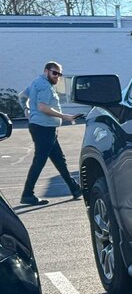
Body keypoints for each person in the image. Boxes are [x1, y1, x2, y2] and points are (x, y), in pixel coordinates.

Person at [19, 61, 84, 206]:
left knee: (59, 160)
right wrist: (64, 116)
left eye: (59, 74)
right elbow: (42, 107)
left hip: (45, 128)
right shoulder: (44, 86)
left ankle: (75, 189)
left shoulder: (37, 82)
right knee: (40, 161)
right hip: (43, 128)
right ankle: (27, 194)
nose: (57, 77)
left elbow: (21, 96)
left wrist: (27, 111)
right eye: (54, 73)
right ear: (46, 71)